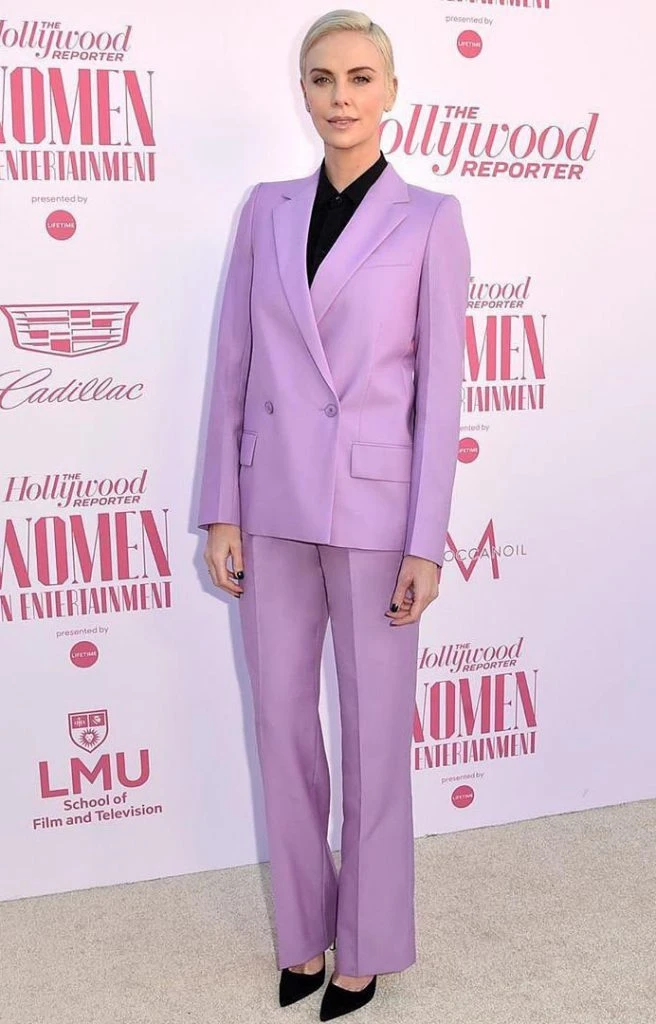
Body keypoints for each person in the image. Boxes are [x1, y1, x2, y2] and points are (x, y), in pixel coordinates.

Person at [197, 9, 470, 1020]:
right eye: (322, 78)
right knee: (279, 723)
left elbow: (439, 397)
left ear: (390, 93)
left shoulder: (429, 218)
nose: (340, 96)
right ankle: (303, 933)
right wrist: (220, 508)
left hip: (373, 510)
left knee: (372, 735)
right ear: (303, 92)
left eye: (359, 77)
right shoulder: (263, 210)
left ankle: (369, 944)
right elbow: (234, 363)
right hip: (269, 502)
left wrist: (425, 541)